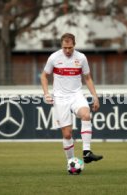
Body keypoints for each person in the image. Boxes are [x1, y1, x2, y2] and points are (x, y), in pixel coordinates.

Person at [40, 33, 103, 164]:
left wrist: (95, 97)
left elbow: (87, 78)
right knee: (67, 134)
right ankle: (71, 162)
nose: (67, 51)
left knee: (86, 115)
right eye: (65, 48)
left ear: (74, 45)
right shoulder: (54, 57)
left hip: (76, 95)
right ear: (61, 46)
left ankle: (86, 153)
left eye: (70, 48)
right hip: (60, 98)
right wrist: (46, 93)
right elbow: (44, 76)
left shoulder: (81, 58)